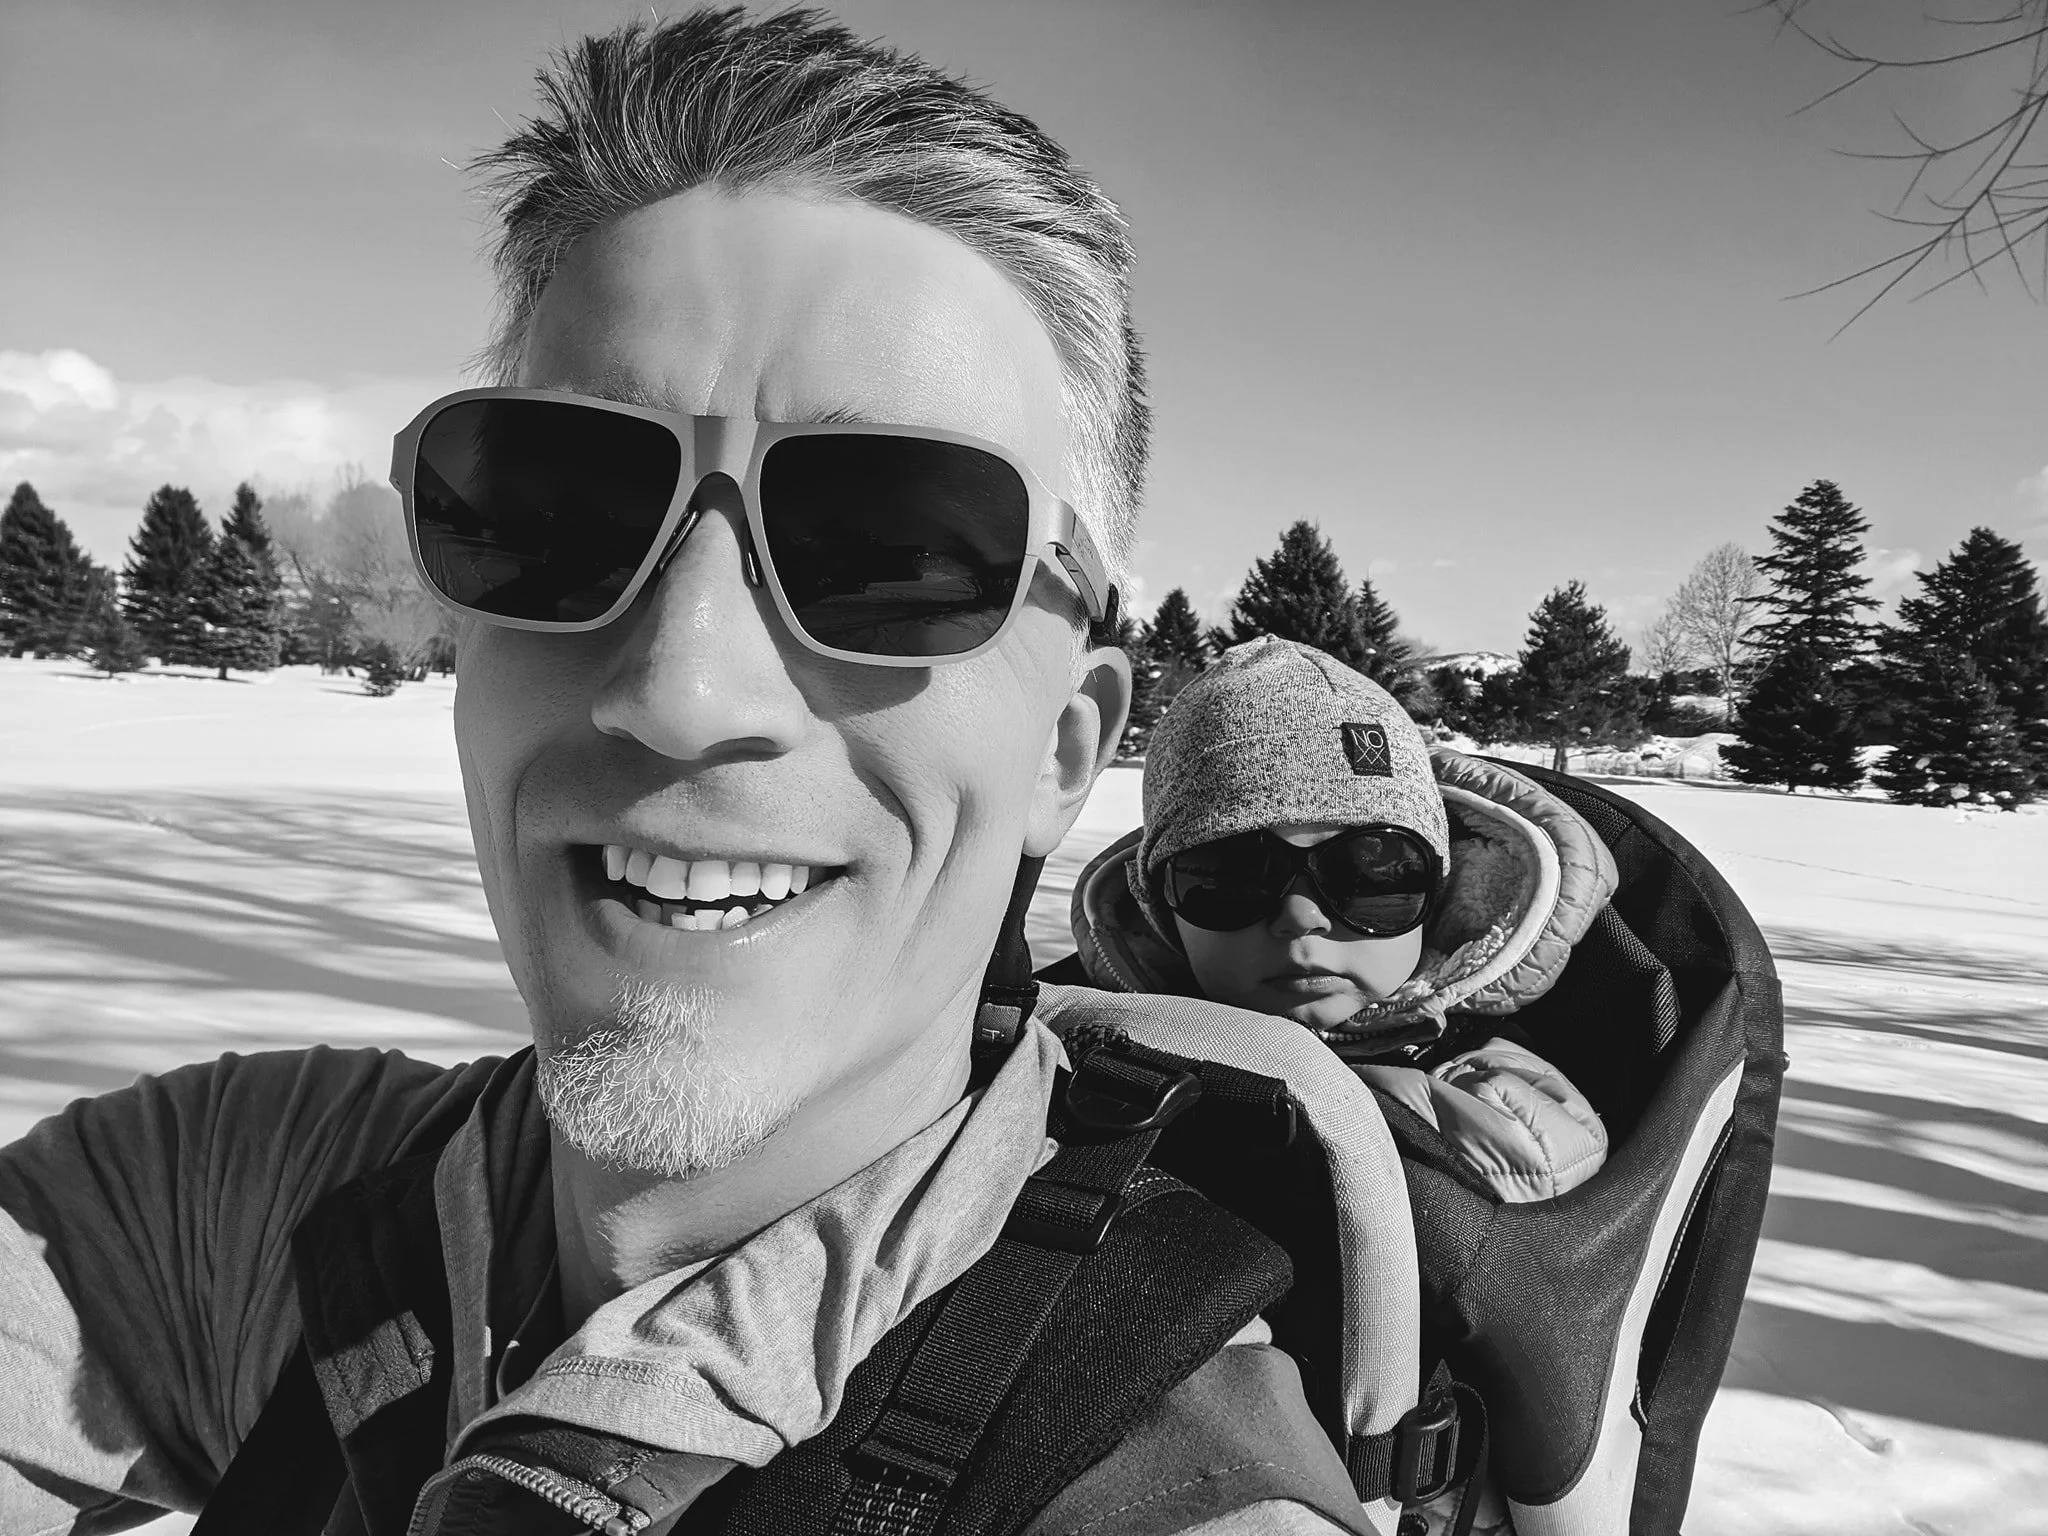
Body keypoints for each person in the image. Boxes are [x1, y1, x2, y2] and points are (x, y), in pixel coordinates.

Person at [0, 12, 1376, 1536]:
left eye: (893, 552)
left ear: (1069, 745)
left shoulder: (1177, 1484)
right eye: (556, 510)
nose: (678, 687)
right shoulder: (255, 1204)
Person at [1070, 637, 1612, 1205]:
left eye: (1372, 875)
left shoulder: (1498, 1109)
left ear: (1441, 890)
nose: (1301, 918)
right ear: (1160, 910)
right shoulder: (1081, 1058)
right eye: (1229, 878)